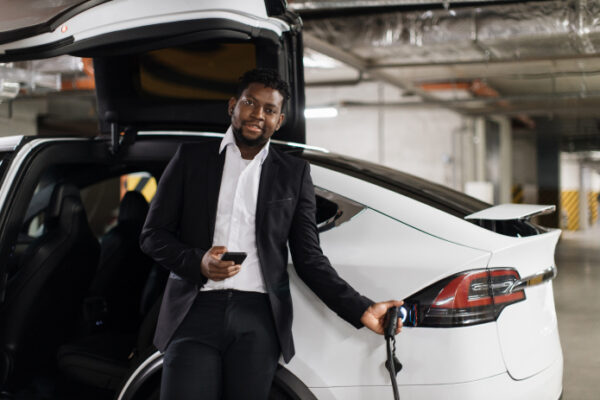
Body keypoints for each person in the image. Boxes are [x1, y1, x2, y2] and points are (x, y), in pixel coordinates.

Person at [140, 68, 403, 400]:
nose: (258, 115)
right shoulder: (191, 159)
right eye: (250, 103)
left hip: (258, 319)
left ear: (279, 121)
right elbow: (152, 235)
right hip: (193, 312)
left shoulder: (293, 174)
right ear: (233, 105)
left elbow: (309, 258)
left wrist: (362, 309)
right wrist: (198, 262)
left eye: (270, 110)